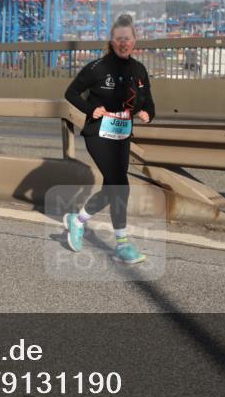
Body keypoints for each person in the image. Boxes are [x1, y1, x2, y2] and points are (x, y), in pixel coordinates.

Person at [62, 14, 155, 264]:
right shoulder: (97, 68)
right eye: (119, 39)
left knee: (111, 188)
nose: (124, 43)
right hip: (98, 132)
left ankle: (78, 220)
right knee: (119, 185)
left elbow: (148, 103)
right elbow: (70, 93)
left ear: (135, 41)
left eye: (128, 38)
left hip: (122, 134)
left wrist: (147, 113)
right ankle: (122, 245)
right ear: (112, 41)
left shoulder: (139, 70)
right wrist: (89, 109)